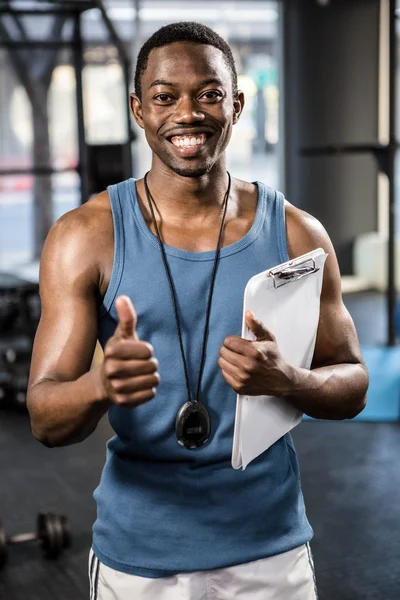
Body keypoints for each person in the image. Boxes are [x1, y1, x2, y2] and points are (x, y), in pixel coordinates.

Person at [27, 21, 369, 600]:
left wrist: (289, 379)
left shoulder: (296, 231)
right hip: (140, 553)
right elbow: (44, 416)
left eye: (210, 93)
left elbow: (354, 381)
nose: (188, 113)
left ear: (235, 105)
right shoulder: (86, 236)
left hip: (269, 545)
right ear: (139, 109)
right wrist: (98, 386)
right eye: (165, 97)